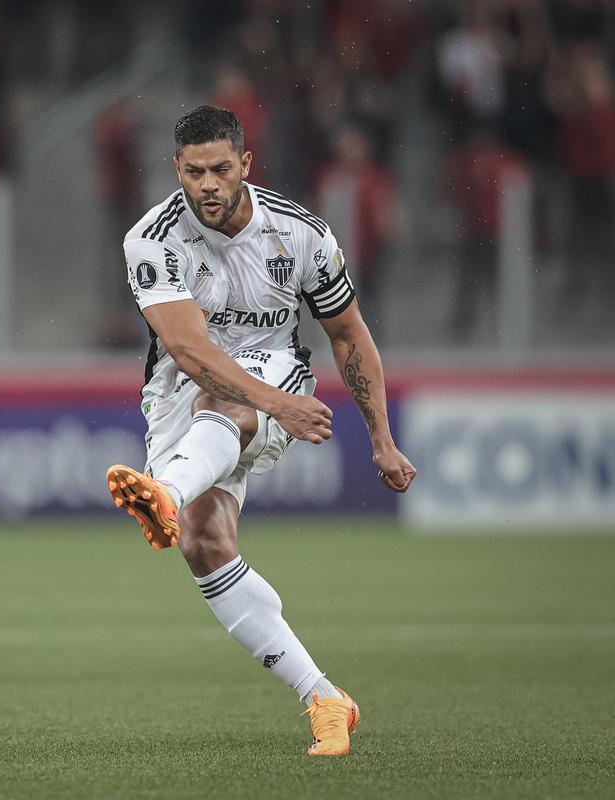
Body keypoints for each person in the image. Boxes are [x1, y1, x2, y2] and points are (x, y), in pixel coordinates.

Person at [106, 106, 416, 757]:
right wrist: (276, 404)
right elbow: (189, 353)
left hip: (273, 380)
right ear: (177, 171)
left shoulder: (300, 234)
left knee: (226, 402)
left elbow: (345, 332)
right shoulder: (151, 239)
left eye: (221, 168)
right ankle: (327, 699)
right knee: (204, 543)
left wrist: (380, 438)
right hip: (182, 397)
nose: (208, 184)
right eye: (194, 172)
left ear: (246, 164)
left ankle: (163, 492)